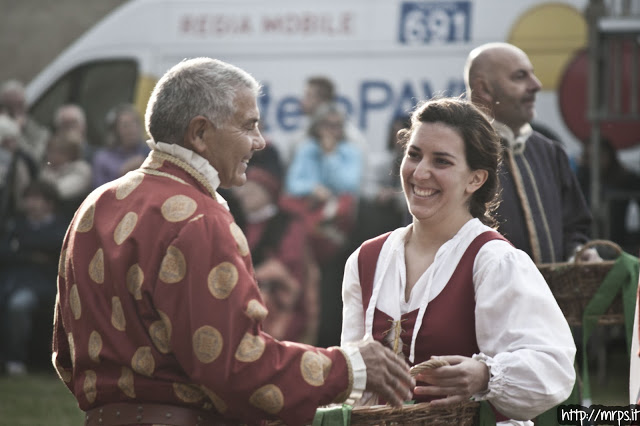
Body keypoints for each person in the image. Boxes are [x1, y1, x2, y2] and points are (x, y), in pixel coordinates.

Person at [52, 57, 414, 426]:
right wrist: (351, 365)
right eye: (249, 126)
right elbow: (241, 372)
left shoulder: (95, 205)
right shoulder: (200, 219)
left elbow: (65, 355)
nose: (260, 142)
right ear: (200, 133)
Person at [341, 97, 576, 424]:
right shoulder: (366, 259)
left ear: (475, 179)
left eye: (442, 161)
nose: (420, 172)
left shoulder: (494, 261)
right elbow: (352, 380)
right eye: (414, 154)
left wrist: (485, 375)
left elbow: (554, 368)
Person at [464, 42, 599, 264]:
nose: (536, 85)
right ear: (484, 89)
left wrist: (578, 252)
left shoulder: (550, 151)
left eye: (532, 75)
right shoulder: (456, 152)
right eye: (520, 77)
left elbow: (575, 226)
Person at [283, 102, 363, 348]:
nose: (332, 130)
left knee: (335, 288)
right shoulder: (307, 148)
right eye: (327, 125)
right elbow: (294, 184)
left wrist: (330, 157)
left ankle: (332, 339)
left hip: (340, 230)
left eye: (338, 126)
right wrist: (314, 189)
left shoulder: (350, 151)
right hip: (310, 229)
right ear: (317, 127)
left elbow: (349, 184)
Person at [233, 143, 319, 344]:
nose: (244, 195)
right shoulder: (233, 222)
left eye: (251, 189)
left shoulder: (289, 224)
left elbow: (289, 272)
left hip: (279, 311)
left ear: (268, 191)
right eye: (243, 189)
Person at [0, 179, 67, 375]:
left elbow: (57, 249)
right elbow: (3, 251)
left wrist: (20, 248)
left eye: (36, 198)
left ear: (49, 202)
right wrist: (31, 254)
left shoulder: (62, 225)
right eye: (28, 198)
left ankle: (15, 360)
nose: (31, 203)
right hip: (11, 281)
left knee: (18, 306)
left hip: (43, 284)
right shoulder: (16, 224)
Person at [40, 128, 93, 221]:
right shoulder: (46, 169)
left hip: (71, 217)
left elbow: (60, 192)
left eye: (58, 152)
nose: (52, 155)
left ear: (71, 154)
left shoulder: (81, 169)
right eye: (50, 151)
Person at [91, 103, 149, 188]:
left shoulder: (149, 153)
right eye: (126, 126)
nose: (132, 129)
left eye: (135, 123)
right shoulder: (103, 159)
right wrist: (122, 174)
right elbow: (98, 193)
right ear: (115, 131)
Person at [0, 79, 50, 168]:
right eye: (10, 106)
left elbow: (37, 159)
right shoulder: (3, 127)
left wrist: (16, 131)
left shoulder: (35, 127)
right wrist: (14, 130)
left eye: (19, 104)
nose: (16, 111)